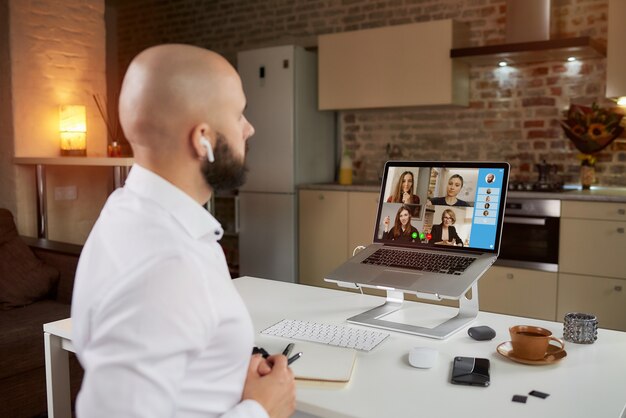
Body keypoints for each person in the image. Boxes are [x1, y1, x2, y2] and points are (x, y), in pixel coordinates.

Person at [71, 44, 296, 418]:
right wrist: (261, 410)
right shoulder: (166, 266)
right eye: (239, 114)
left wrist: (221, 372)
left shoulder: (127, 211)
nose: (249, 128)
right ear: (202, 138)